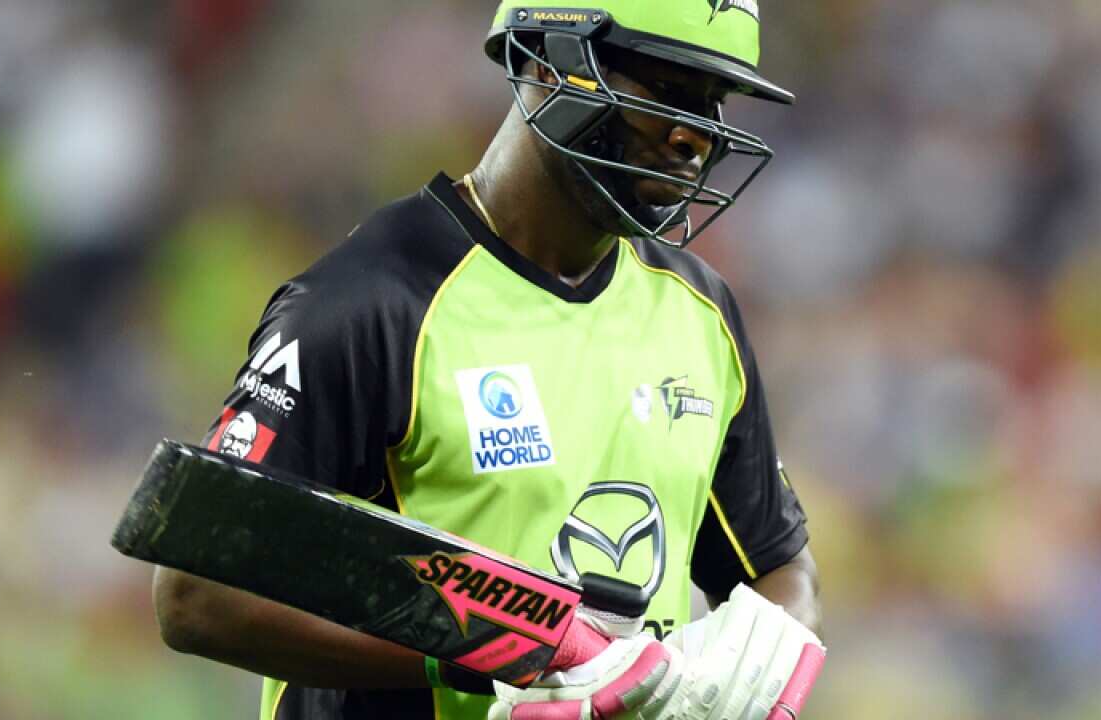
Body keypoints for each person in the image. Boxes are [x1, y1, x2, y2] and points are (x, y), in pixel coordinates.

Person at [152, 1, 825, 718]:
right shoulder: (370, 305)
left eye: (711, 101)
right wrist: (505, 659)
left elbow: (779, 567)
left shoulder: (701, 314)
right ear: (545, 60)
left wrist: (747, 669)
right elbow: (196, 595)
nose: (694, 135)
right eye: (666, 89)